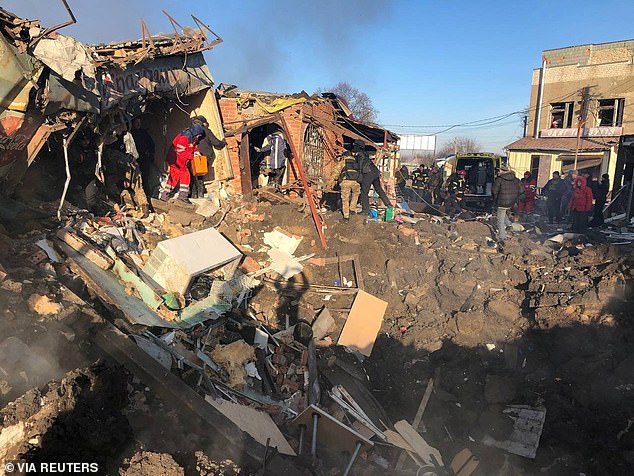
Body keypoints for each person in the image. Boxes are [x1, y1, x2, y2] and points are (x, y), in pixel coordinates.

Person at [159, 123, 205, 202]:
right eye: (198, 135)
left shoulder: (192, 136)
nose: (198, 137)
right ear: (197, 133)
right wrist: (191, 156)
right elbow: (180, 151)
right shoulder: (185, 137)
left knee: (174, 177)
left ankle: (165, 195)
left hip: (177, 159)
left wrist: (196, 152)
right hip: (176, 159)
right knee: (185, 175)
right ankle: (182, 196)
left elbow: (193, 146)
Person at [189, 116, 227, 198]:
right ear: (203, 123)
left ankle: (194, 194)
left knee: (193, 173)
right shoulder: (206, 131)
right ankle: (200, 193)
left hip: (192, 155)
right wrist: (223, 142)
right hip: (205, 155)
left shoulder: (190, 132)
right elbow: (216, 142)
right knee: (200, 174)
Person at [356, 140, 392, 215]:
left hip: (368, 173)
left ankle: (365, 211)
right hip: (375, 172)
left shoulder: (359, 154)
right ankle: (388, 204)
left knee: (364, 192)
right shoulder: (365, 154)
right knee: (378, 189)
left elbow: (359, 166)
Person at [492, 165, 522, 242]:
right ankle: (509, 225)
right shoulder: (516, 180)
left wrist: (495, 201)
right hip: (511, 202)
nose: (498, 172)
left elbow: (494, 191)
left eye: (499, 170)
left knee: (500, 220)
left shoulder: (499, 180)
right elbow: (521, 191)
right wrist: (516, 199)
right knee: (503, 212)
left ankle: (502, 238)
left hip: (502, 202)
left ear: (503, 171)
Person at [331, 151, 362, 220]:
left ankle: (346, 216)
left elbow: (335, 172)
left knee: (345, 199)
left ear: (344, 156)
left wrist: (332, 181)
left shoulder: (343, 162)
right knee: (355, 194)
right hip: (356, 182)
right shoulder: (357, 163)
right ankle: (352, 209)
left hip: (345, 182)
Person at [130, 117, 156, 198]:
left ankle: (147, 195)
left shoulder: (143, 133)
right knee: (134, 177)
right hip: (133, 160)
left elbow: (151, 144)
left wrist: (151, 154)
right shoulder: (130, 134)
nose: (138, 124)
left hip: (144, 159)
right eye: (136, 122)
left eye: (139, 122)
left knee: (145, 177)